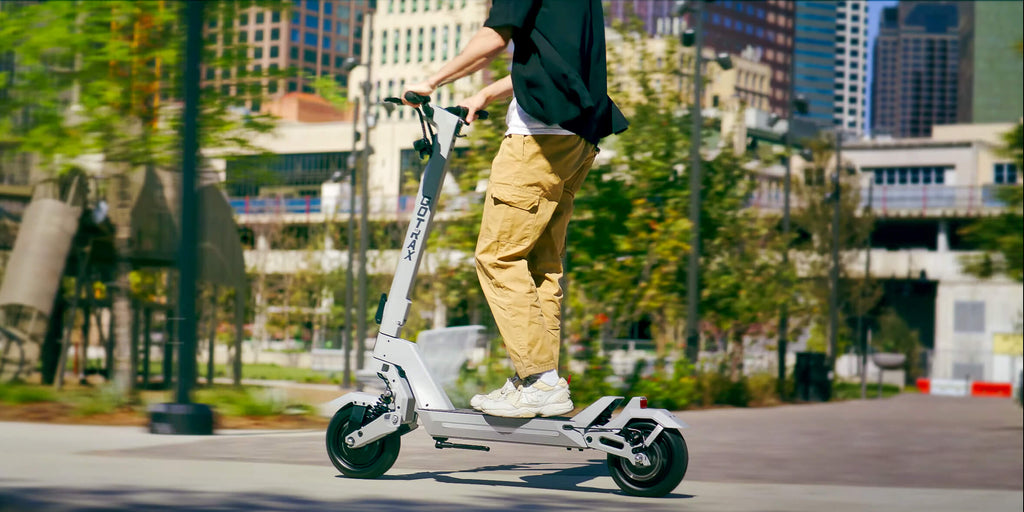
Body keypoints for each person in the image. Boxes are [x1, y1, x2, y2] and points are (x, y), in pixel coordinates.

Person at [403, 0, 627, 418]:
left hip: (536, 140)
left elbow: (494, 37)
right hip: (578, 139)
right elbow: (554, 64)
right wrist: (487, 92)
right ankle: (538, 380)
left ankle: (539, 380)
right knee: (542, 266)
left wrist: (431, 81)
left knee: (498, 257)